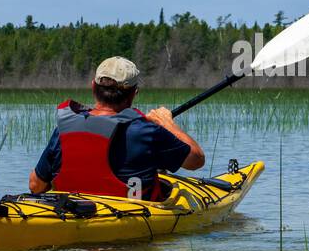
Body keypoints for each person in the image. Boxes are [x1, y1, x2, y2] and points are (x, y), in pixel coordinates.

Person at [28, 56, 205, 200]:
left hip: (70, 213)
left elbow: (36, 186)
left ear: (93, 87)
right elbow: (196, 160)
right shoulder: (146, 132)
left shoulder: (64, 129)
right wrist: (167, 123)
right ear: (134, 93)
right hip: (128, 220)